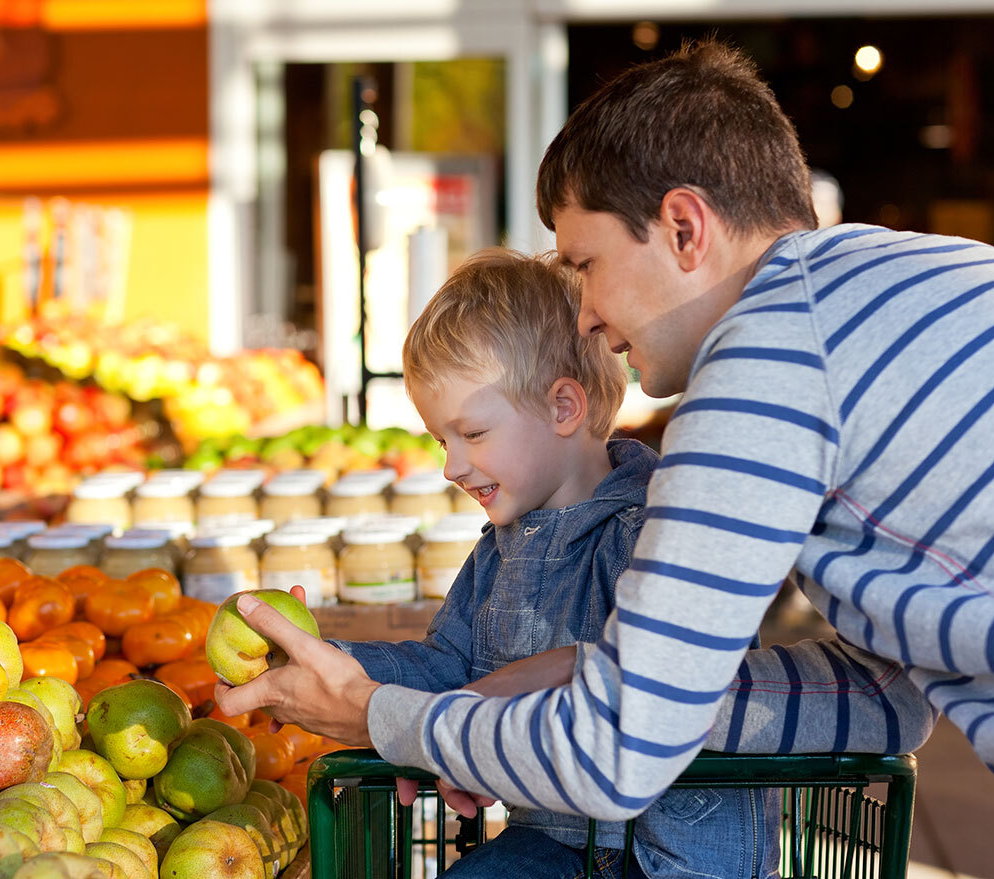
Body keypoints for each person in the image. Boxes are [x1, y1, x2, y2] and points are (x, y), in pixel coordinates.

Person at [218, 40, 978, 823]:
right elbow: (890, 695)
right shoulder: (905, 282)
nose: (582, 315)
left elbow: (615, 757)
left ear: (684, 228)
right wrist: (593, 671)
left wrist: (380, 716)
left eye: (585, 264)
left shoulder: (769, 359)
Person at [326, 248, 779, 878]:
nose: (452, 465)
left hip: (672, 855)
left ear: (564, 408)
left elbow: (667, 684)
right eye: (440, 440)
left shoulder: (652, 533)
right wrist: (336, 665)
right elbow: (447, 666)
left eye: (472, 434)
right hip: (560, 839)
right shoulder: (497, 550)